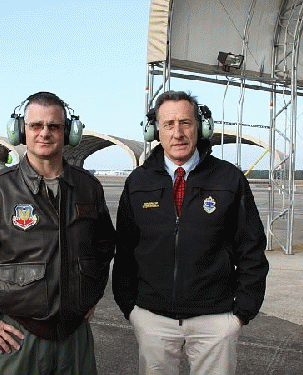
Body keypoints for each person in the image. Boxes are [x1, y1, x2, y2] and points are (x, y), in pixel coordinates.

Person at [0, 91, 115, 374]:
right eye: (36, 125)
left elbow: (104, 245)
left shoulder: (88, 188)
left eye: (54, 126)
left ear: (68, 132)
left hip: (75, 338)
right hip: (19, 339)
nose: (44, 133)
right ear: (21, 131)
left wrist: (90, 294)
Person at [112, 90, 269, 375]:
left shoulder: (229, 178)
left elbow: (252, 248)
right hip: (152, 318)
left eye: (186, 123)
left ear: (200, 128)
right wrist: (131, 309)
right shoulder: (138, 182)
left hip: (216, 319)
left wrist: (241, 313)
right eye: (169, 124)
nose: (178, 133)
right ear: (155, 131)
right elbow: (124, 250)